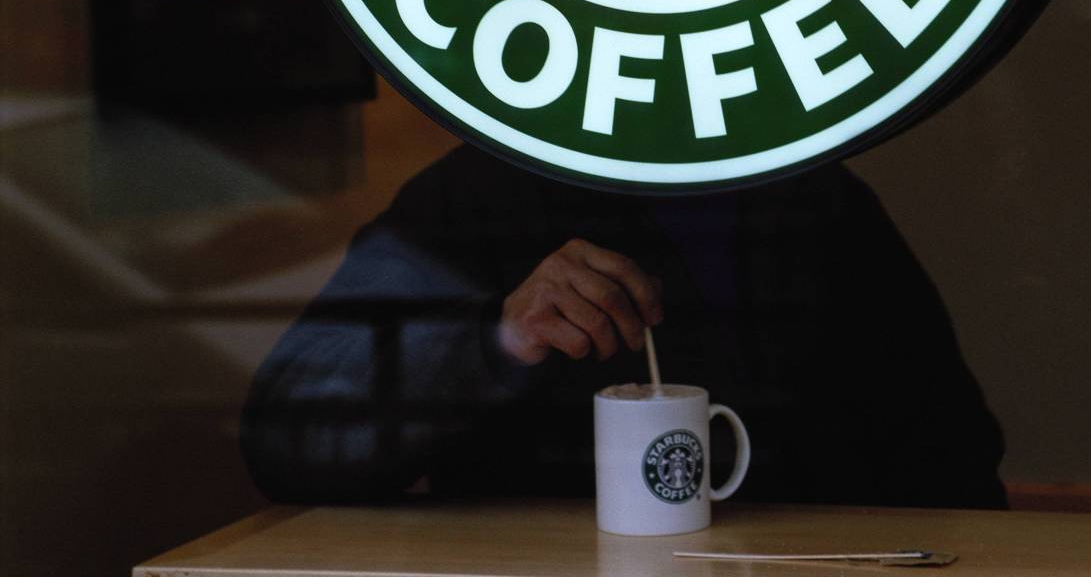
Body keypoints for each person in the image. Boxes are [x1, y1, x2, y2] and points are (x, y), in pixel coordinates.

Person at [240, 145, 1006, 509]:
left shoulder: (816, 199)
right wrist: (497, 338)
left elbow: (952, 456)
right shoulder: (477, 196)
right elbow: (287, 437)